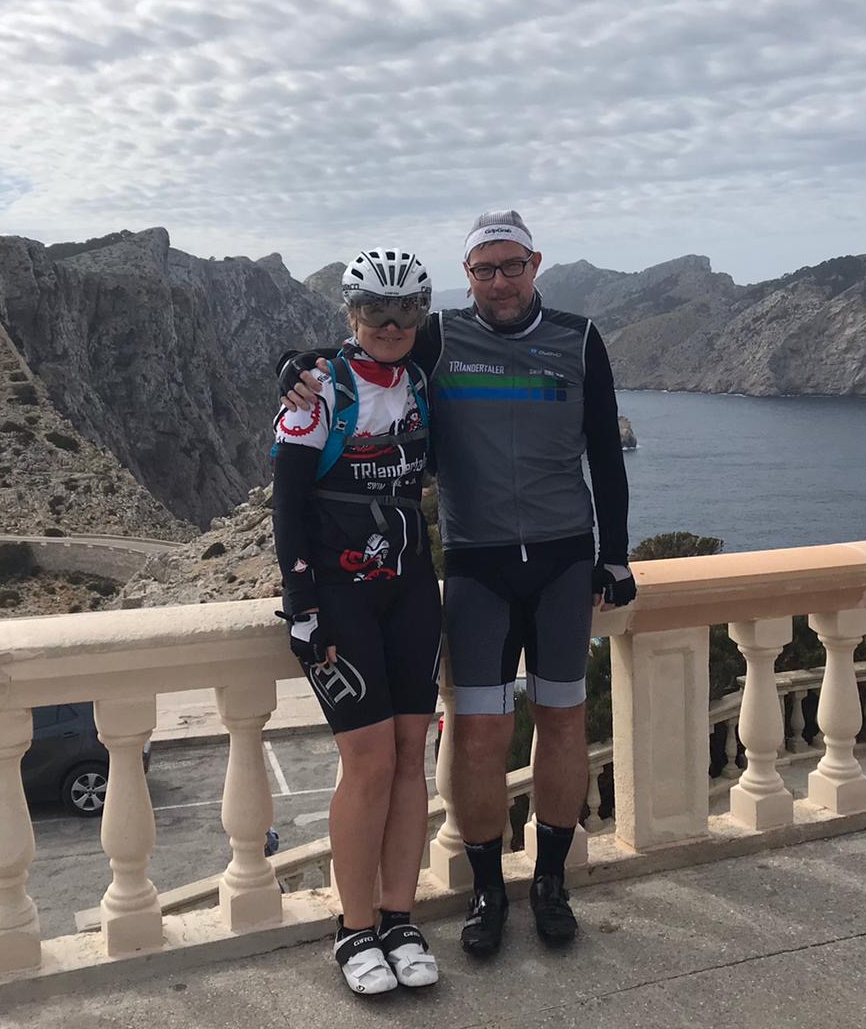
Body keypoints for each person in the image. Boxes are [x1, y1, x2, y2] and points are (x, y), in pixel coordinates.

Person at [279, 210, 635, 959]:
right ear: (466, 276)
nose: (499, 281)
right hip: (477, 564)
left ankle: (550, 883)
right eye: (484, 269)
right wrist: (291, 365)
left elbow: (605, 448)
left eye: (512, 266)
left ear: (535, 264)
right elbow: (364, 347)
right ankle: (486, 892)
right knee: (478, 737)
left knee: (564, 723)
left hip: (565, 560)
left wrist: (616, 555)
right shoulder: (438, 336)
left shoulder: (579, 338)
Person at [271, 247, 444, 996]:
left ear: (421, 315)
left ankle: (400, 919)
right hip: (339, 597)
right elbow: (286, 504)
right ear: (351, 313)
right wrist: (301, 602)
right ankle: (354, 927)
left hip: (412, 590)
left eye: (406, 310)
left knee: (411, 758)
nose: (391, 324)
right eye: (375, 310)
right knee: (369, 761)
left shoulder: (421, 379)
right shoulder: (317, 392)